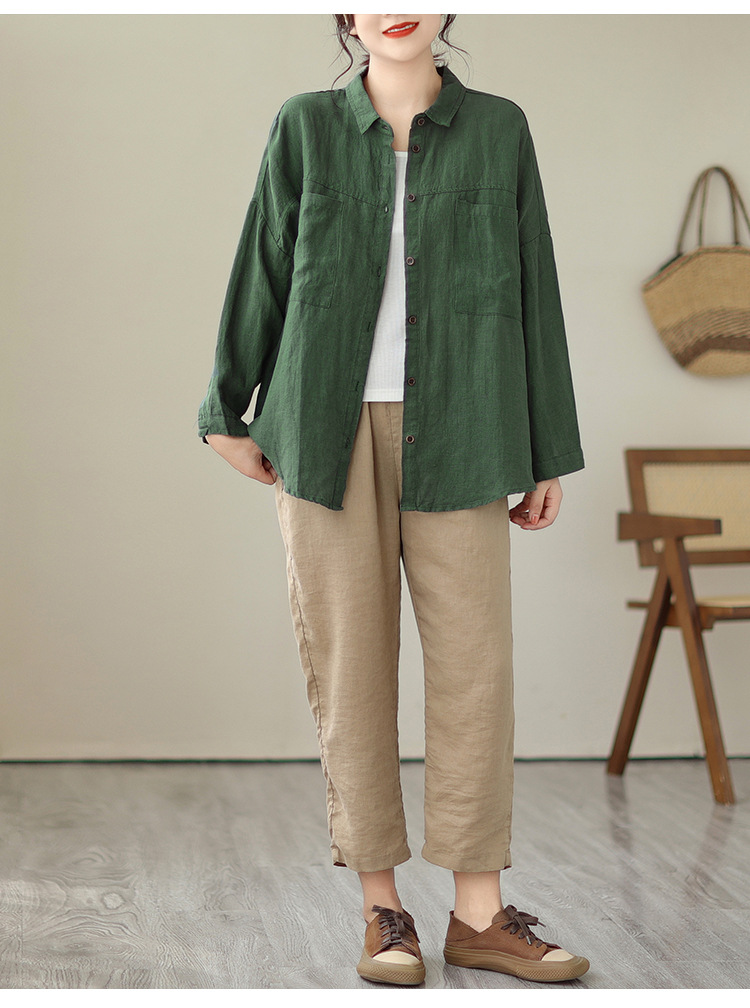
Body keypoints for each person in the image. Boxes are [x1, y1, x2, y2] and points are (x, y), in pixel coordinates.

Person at [198, 14, 589, 987]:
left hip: (469, 425)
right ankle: (384, 911)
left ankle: (480, 916)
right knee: (353, 670)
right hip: (325, 429)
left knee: (476, 673)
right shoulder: (305, 127)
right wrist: (225, 408)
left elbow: (535, 283)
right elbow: (264, 261)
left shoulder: (500, 130)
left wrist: (548, 449)